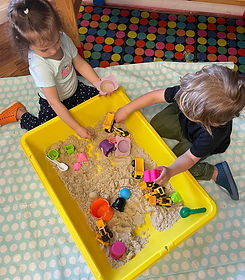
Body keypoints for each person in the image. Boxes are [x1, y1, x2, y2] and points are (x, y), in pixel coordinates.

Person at [115, 64, 245, 201]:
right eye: (183, 103)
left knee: (175, 162)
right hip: (183, 124)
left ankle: (215, 172)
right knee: (156, 124)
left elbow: (189, 158)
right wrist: (127, 109)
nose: (183, 107)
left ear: (211, 122)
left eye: (188, 111)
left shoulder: (211, 136)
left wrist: (170, 171)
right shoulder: (191, 92)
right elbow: (154, 97)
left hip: (194, 143)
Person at [0, 0, 117, 139]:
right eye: (45, 49)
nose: (54, 50)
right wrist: (77, 128)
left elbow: (80, 63)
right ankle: (20, 113)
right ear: (27, 44)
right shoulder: (40, 66)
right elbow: (54, 102)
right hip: (54, 102)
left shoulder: (63, 38)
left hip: (75, 90)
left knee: (100, 101)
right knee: (44, 132)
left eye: (56, 42)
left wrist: (98, 84)